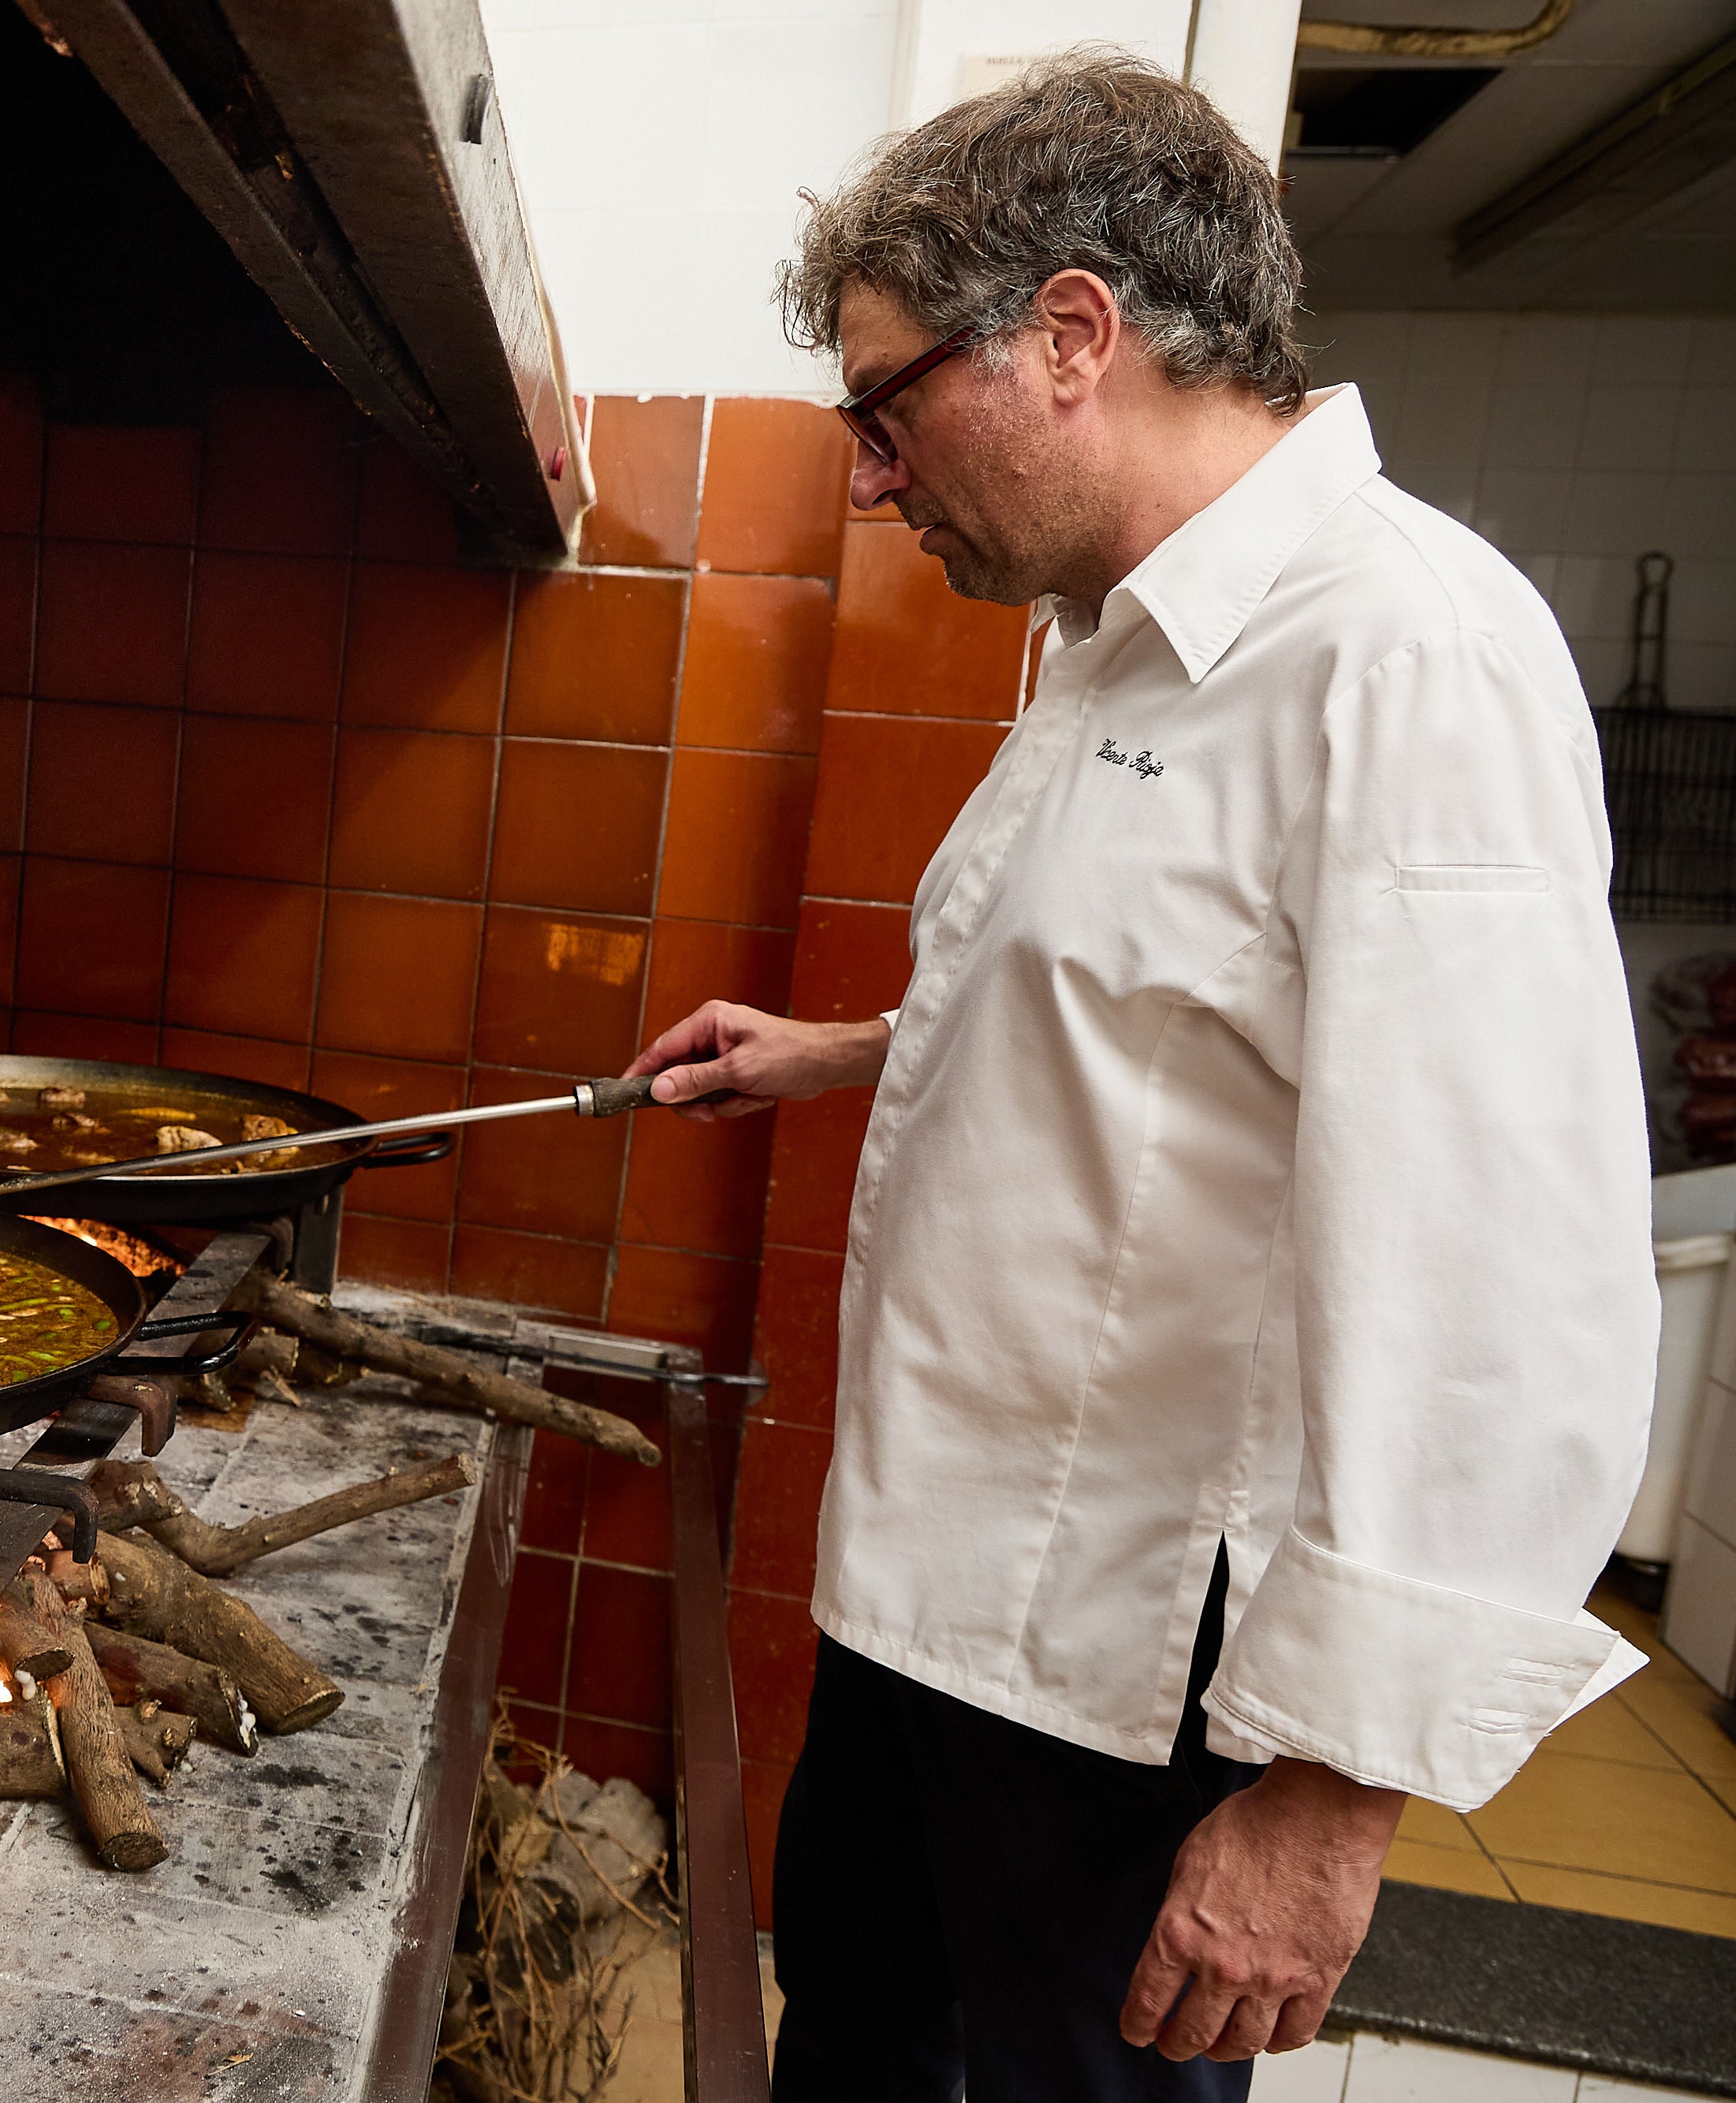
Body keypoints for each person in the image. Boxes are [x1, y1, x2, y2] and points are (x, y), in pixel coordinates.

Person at [625, 52, 1659, 2102]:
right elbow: (1153, 1015)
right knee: (854, 2042)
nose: (866, 473)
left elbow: (1489, 1269)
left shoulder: (1403, 655)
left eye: (887, 403)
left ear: (1076, 333)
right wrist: (831, 1048)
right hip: (926, 1577)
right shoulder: (1108, 639)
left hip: (1125, 1660)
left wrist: (1332, 1793)